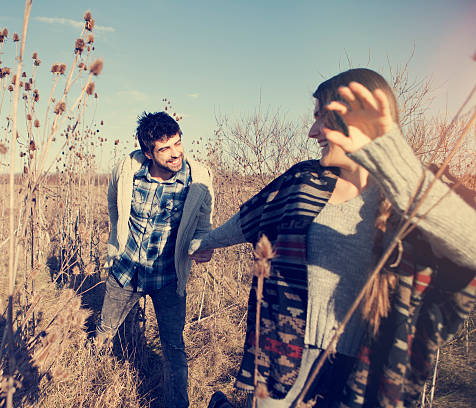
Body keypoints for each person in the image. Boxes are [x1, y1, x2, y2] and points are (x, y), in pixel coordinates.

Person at [191, 68, 476, 407]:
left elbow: (469, 247)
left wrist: (393, 161)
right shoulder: (304, 180)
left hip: (364, 371)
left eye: (321, 119)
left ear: (355, 121)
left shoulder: (418, 190)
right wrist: (204, 242)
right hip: (284, 354)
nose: (312, 132)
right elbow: (249, 219)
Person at [97, 111, 214, 408]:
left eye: (177, 143)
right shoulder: (127, 169)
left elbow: (203, 224)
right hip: (126, 271)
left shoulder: (198, 178)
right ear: (148, 152)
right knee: (105, 330)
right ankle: (94, 379)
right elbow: (114, 202)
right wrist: (117, 237)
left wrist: (204, 247)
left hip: (168, 278)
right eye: (165, 149)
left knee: (173, 347)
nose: (175, 154)